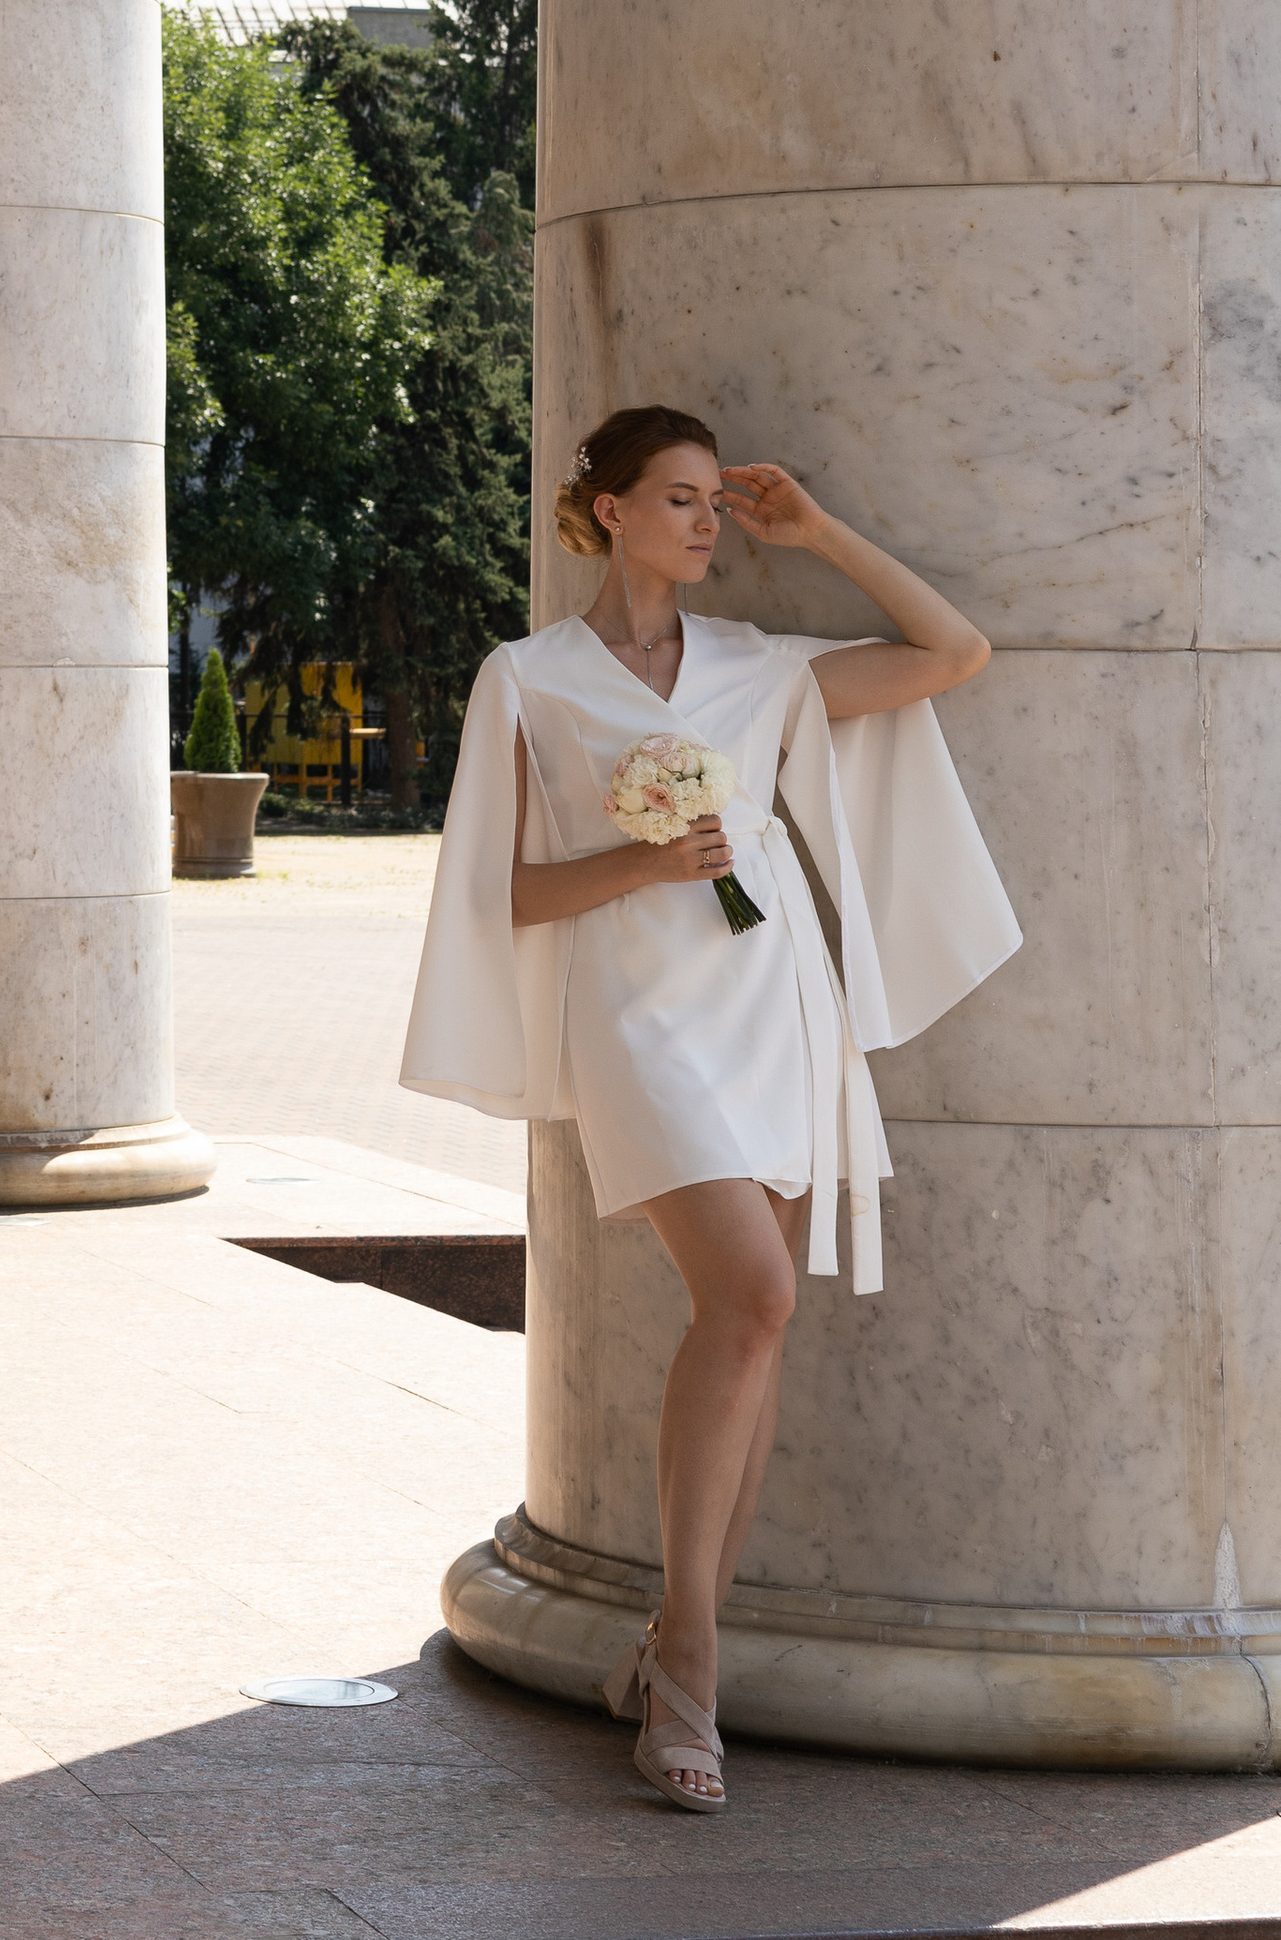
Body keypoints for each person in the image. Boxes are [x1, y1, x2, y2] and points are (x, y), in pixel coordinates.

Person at [399, 404, 1019, 1815]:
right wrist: (638, 864)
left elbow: (952, 655)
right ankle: (688, 1657)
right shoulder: (531, 680)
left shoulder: (757, 667)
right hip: (636, 1020)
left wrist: (821, 533)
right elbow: (501, 892)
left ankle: (680, 1649)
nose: (703, 522)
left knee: (760, 1318)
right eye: (676, 498)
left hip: (774, 1000)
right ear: (607, 510)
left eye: (714, 504)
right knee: (746, 1293)